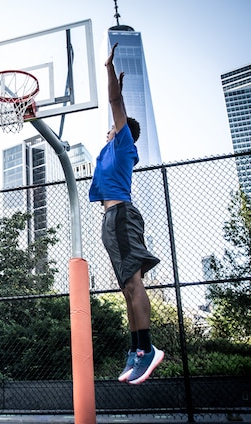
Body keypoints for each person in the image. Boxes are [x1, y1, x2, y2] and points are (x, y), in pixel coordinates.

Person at [89, 42, 164, 384]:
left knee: (133, 284)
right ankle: (136, 350)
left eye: (114, 127)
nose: (109, 129)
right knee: (126, 288)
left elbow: (116, 103)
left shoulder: (122, 145)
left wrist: (108, 71)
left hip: (120, 217)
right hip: (110, 220)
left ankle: (147, 348)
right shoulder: (110, 152)